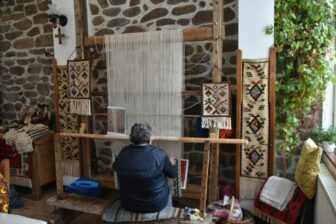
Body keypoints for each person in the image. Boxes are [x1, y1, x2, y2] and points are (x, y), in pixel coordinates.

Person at [113, 122, 178, 213]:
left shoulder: (123, 152)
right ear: (149, 138)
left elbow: (115, 167)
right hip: (156, 204)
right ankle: (167, 213)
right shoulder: (160, 154)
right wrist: (171, 163)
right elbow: (173, 174)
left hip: (129, 203)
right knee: (165, 184)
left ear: (131, 137)